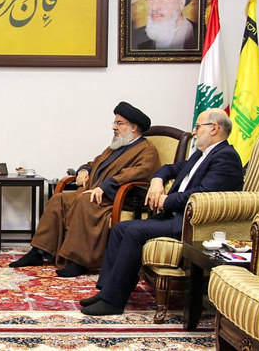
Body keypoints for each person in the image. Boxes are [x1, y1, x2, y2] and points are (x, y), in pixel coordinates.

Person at [80, 108, 243, 316]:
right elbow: (171, 168)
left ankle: (113, 301)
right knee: (121, 228)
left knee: (132, 231)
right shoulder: (201, 155)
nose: (194, 132)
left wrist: (166, 201)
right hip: (176, 216)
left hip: (192, 224)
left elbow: (203, 195)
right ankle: (106, 292)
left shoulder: (225, 158)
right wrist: (157, 181)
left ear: (214, 128)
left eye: (198, 126)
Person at [10, 102, 161, 277]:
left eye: (119, 123)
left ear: (134, 127)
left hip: (116, 199)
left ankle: (78, 261)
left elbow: (137, 174)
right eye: (115, 122)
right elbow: (94, 162)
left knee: (85, 201)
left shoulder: (147, 150)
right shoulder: (117, 145)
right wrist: (84, 170)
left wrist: (105, 187)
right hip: (96, 193)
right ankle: (38, 252)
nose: (114, 127)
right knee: (59, 199)